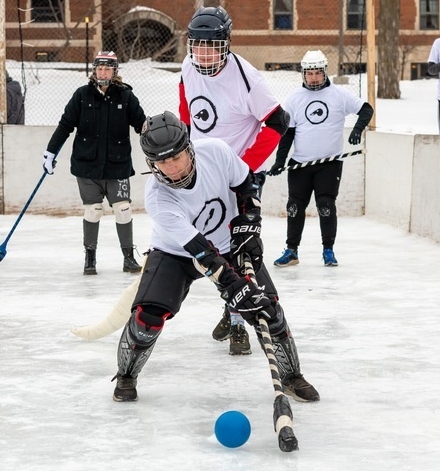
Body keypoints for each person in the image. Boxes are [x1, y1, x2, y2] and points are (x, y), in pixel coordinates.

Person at [111, 111, 319, 405]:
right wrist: (234, 286)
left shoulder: (216, 152)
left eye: (177, 157)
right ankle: (126, 375)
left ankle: (292, 376)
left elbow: (247, 185)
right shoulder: (158, 197)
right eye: (161, 161)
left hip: (227, 244)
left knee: (267, 309)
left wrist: (249, 223)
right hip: (177, 253)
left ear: (189, 148)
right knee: (148, 317)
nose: (171, 168)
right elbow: (201, 253)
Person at [179, 6, 291, 354]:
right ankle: (231, 310)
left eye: (212, 46)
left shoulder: (247, 78)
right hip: (199, 175)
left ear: (226, 45)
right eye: (197, 45)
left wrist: (242, 168)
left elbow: (278, 121)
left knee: (239, 251)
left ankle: (240, 323)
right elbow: (187, 110)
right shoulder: (188, 67)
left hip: (240, 177)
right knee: (208, 248)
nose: (204, 53)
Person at [42, 51, 146, 275]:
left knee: (123, 209)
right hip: (87, 166)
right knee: (93, 210)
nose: (102, 72)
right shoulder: (82, 95)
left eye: (107, 69)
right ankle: (90, 259)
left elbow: (142, 125)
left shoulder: (126, 97)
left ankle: (128, 258)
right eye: (99, 68)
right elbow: (65, 125)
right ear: (93, 70)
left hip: (117, 165)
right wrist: (50, 152)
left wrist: (158, 147)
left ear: (115, 71)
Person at [268, 50, 374, 268]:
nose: (314, 77)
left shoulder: (339, 95)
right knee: (295, 207)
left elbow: (366, 109)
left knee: (325, 205)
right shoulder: (295, 98)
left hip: (329, 164)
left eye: (318, 72)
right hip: (301, 163)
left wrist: (357, 130)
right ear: (303, 74)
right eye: (310, 73)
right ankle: (291, 251)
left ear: (325, 72)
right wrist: (280, 161)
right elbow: (288, 133)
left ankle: (328, 250)